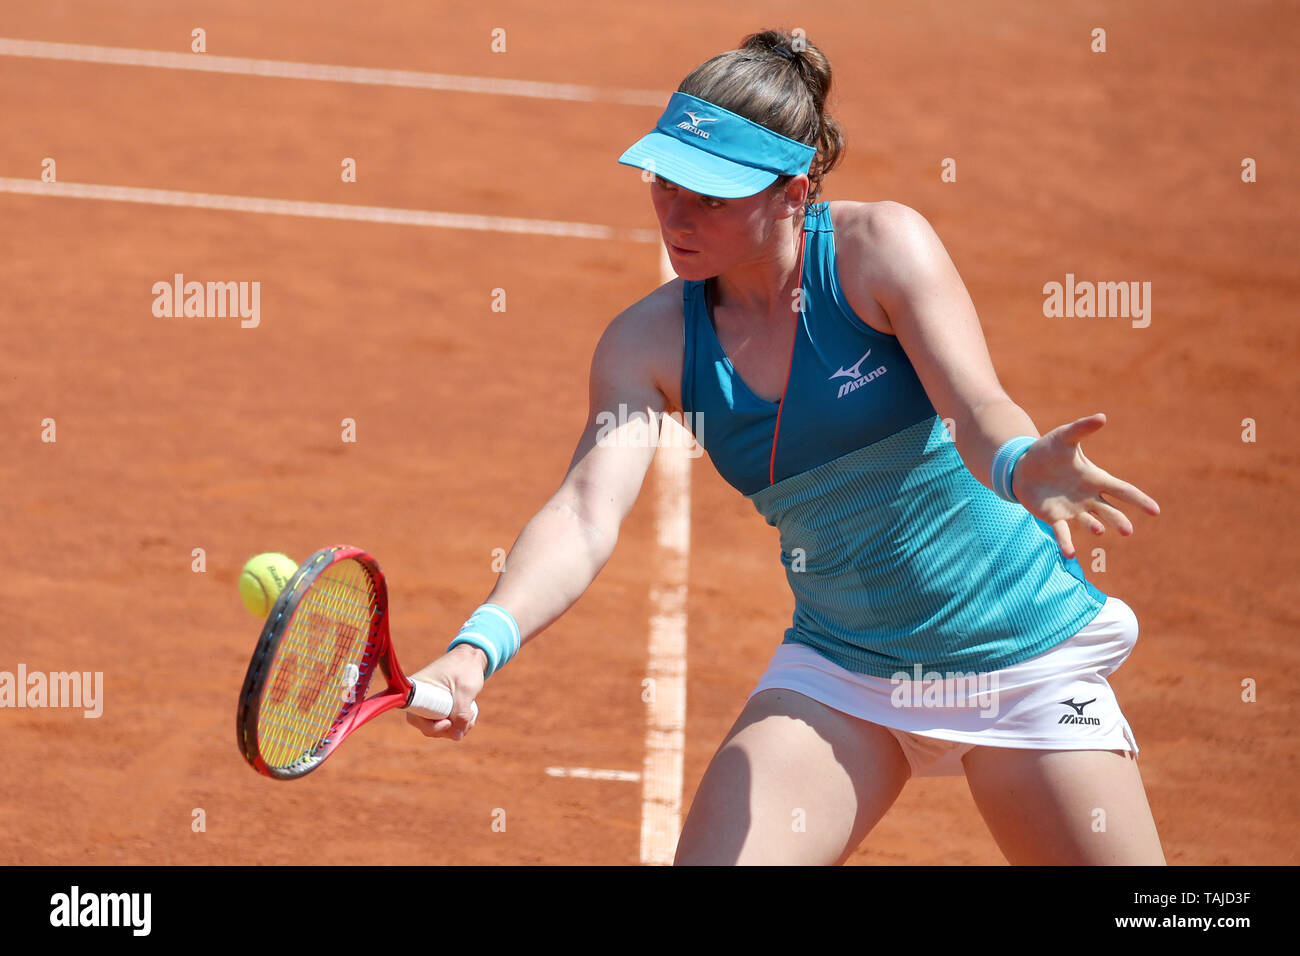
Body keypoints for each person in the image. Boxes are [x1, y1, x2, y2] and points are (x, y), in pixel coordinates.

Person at [406, 29, 1166, 866]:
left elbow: (975, 404)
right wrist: (479, 647)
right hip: (846, 668)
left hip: (1020, 654)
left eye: (711, 196)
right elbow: (585, 513)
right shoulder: (647, 345)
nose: (674, 214)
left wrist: (1021, 464)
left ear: (794, 192)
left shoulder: (880, 249)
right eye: (664, 180)